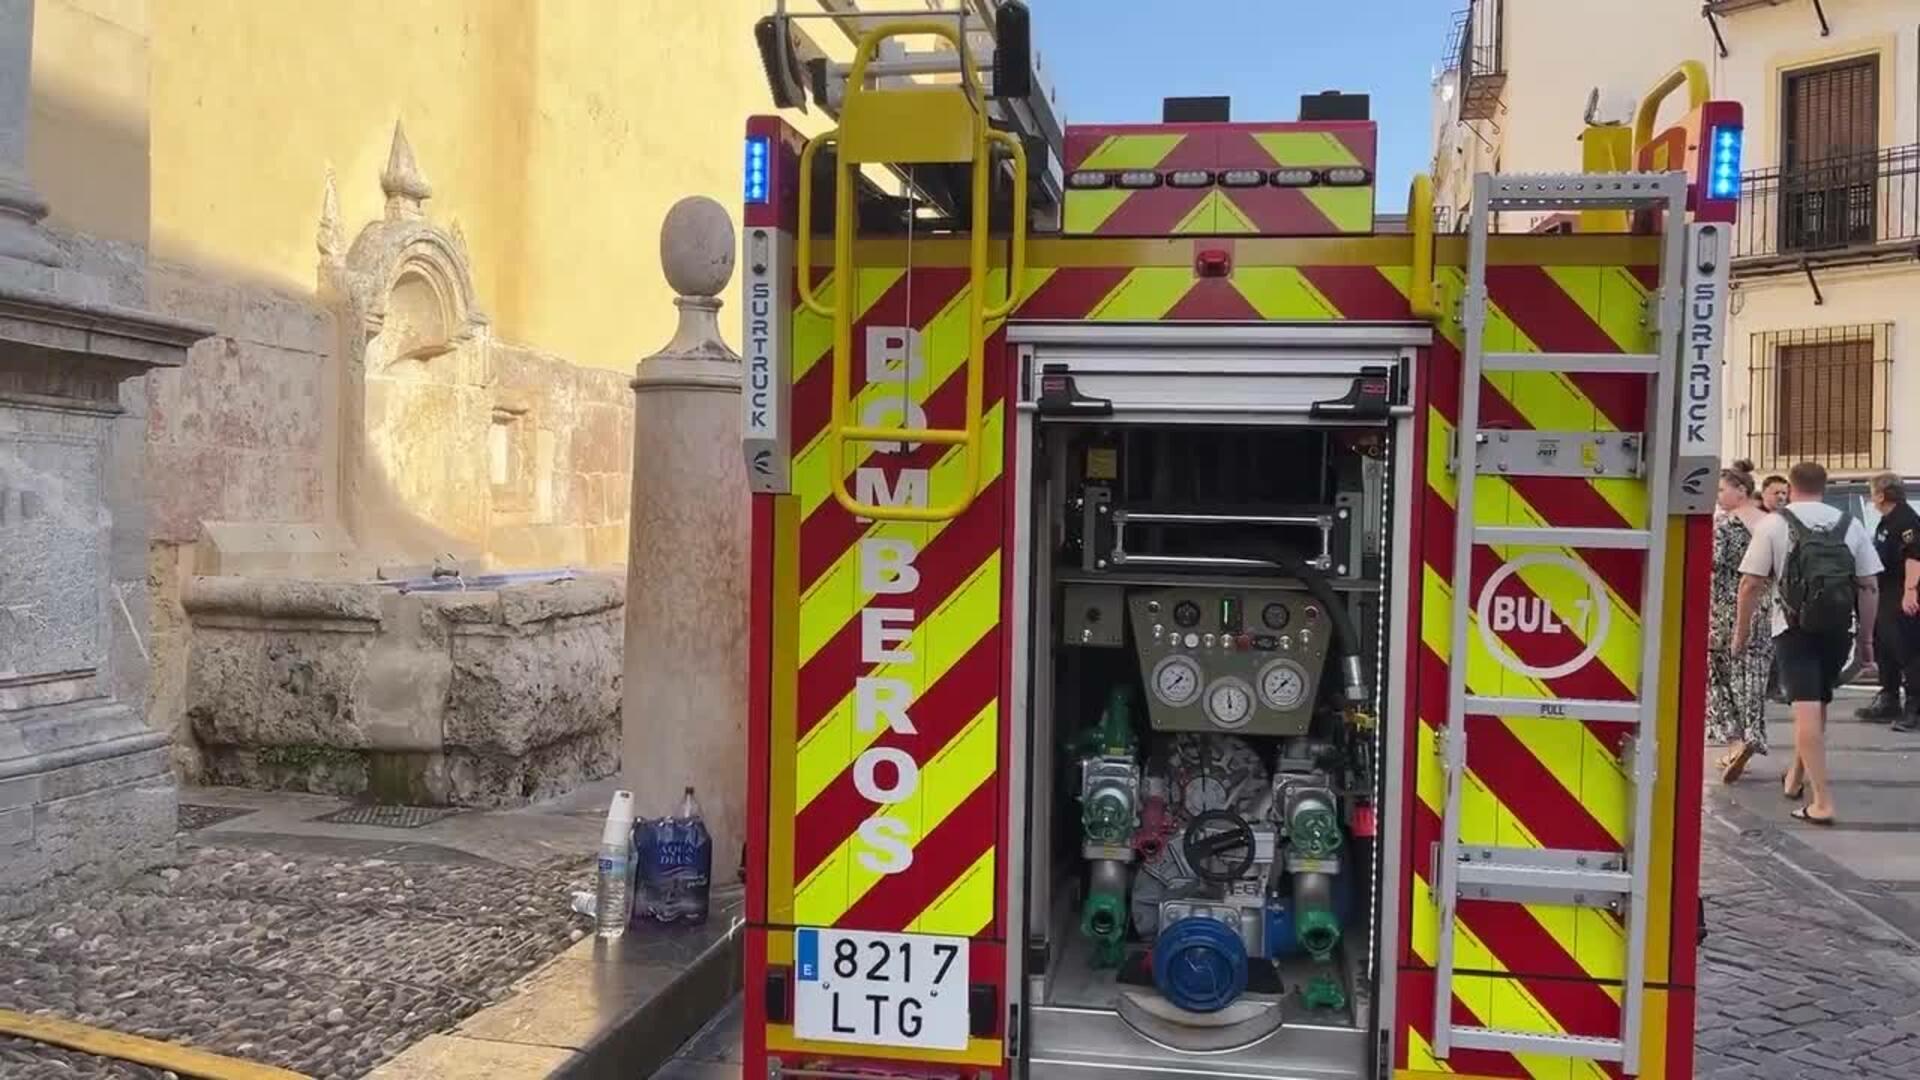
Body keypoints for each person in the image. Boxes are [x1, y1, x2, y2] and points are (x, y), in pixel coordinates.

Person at [1735, 461, 1880, 825]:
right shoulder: (1849, 524)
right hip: (1836, 627)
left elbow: (1750, 584)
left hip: (1793, 628)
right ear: (1825, 486)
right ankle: (1796, 777)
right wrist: (1865, 640)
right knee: (1819, 701)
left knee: (1805, 709)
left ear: (1792, 486)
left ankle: (1822, 801)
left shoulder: (1774, 524)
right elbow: (1869, 586)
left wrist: (1740, 633)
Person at [1709, 463, 1773, 781]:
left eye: (1721, 490)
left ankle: (1735, 740)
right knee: (1752, 678)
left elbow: (1710, 562)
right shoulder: (1771, 523)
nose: (1717, 496)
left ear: (1741, 491)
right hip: (1762, 609)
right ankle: (1751, 735)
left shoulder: (1725, 525)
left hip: (1724, 609)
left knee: (1719, 675)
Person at [1857, 474, 1920, 731]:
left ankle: (1915, 709)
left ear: (1882, 495)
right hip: (1886, 592)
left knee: (1909, 651)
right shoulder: (1888, 520)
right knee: (1886, 649)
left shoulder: (1906, 520)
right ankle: (1889, 699)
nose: (1871, 498)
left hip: (1901, 593)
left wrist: (1910, 591)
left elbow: (1915, 557)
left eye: (1872, 493)